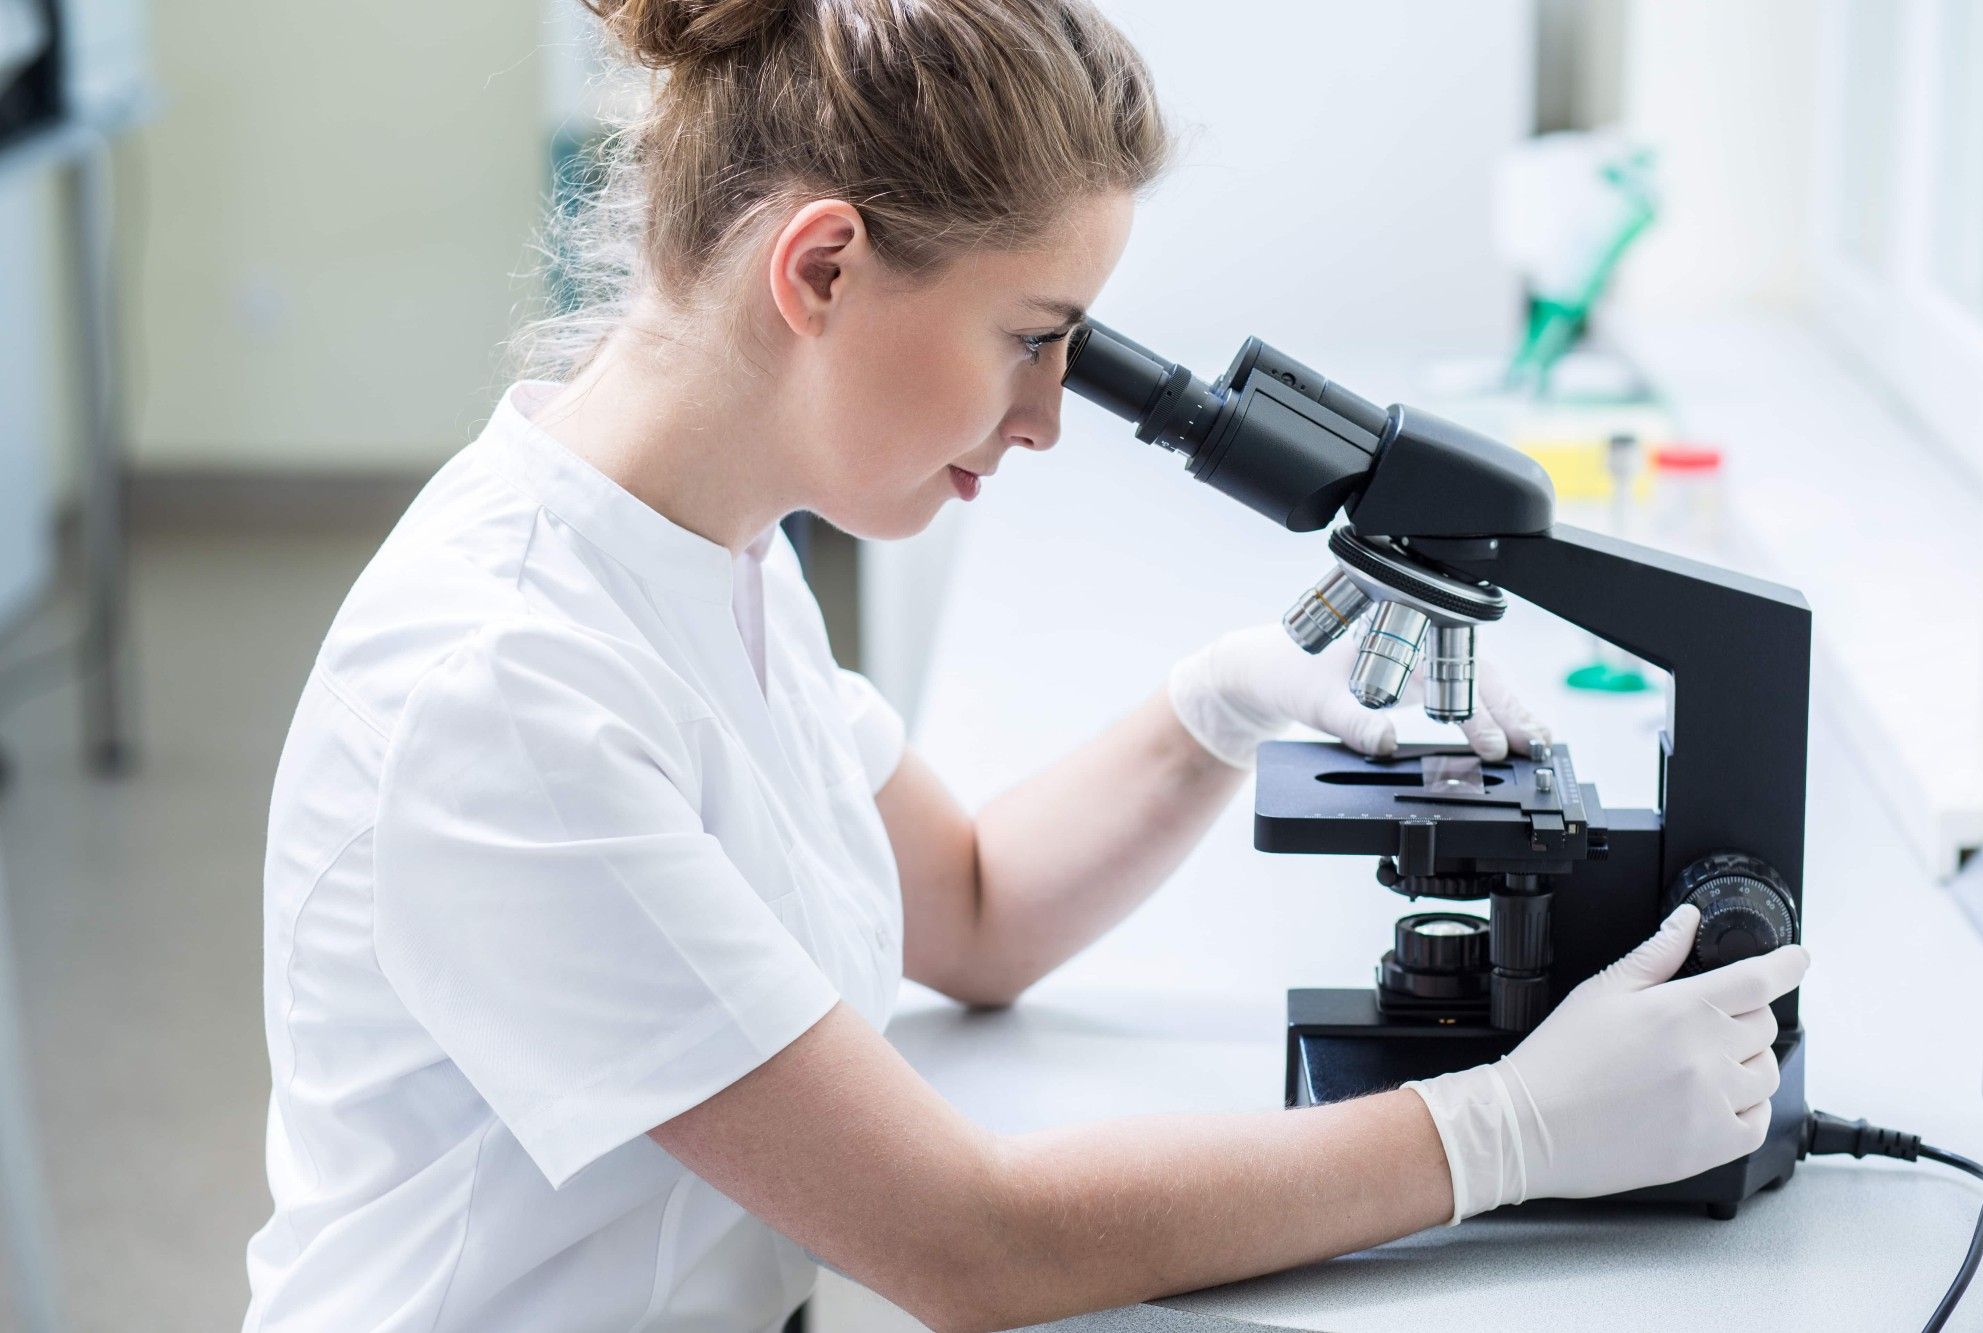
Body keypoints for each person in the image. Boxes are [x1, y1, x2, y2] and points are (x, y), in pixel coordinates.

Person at [241, 2, 1809, 1329]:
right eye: (1031, 337)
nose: (1051, 415)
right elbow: (969, 1241)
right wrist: (1504, 1130)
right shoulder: (509, 688)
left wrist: (1223, 703)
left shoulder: (709, 550)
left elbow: (977, 909)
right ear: (823, 271)